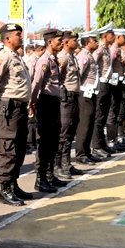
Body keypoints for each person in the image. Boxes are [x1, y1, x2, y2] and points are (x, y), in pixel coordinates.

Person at [0, 23, 33, 206]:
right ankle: (4, 190)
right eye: (18, 34)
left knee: (19, 148)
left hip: (19, 108)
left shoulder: (16, 57)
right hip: (8, 107)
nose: (21, 37)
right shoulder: (2, 56)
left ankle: (13, 184)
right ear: (8, 38)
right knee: (8, 150)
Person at [30, 29, 67, 193]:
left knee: (53, 140)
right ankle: (41, 179)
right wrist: (32, 102)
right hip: (45, 102)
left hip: (54, 101)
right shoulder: (44, 60)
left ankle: (50, 175)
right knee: (44, 141)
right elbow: (36, 82)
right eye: (59, 40)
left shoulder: (54, 59)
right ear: (50, 42)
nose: (62, 43)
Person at [55, 31, 81, 179]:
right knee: (63, 132)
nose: (76, 42)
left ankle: (67, 163)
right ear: (66, 42)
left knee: (71, 131)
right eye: (73, 40)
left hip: (74, 97)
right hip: (66, 98)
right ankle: (58, 165)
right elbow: (57, 77)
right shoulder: (62, 57)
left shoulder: (72, 57)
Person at [74, 31, 101, 164]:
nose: (97, 43)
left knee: (90, 123)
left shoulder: (90, 55)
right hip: (85, 93)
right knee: (84, 124)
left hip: (91, 93)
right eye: (94, 40)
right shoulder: (83, 56)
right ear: (87, 43)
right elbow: (78, 75)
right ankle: (80, 154)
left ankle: (87, 152)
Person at [91, 25, 116, 158]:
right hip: (101, 84)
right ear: (105, 36)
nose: (114, 37)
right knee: (99, 116)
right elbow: (92, 64)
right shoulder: (99, 49)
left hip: (107, 84)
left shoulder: (106, 49)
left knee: (104, 114)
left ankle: (102, 143)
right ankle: (96, 146)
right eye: (112, 34)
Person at [105, 29, 125, 152]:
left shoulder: (118, 49)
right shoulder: (113, 49)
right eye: (123, 37)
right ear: (118, 37)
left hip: (119, 81)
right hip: (113, 82)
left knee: (117, 109)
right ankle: (111, 140)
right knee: (113, 111)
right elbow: (109, 66)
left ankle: (115, 138)